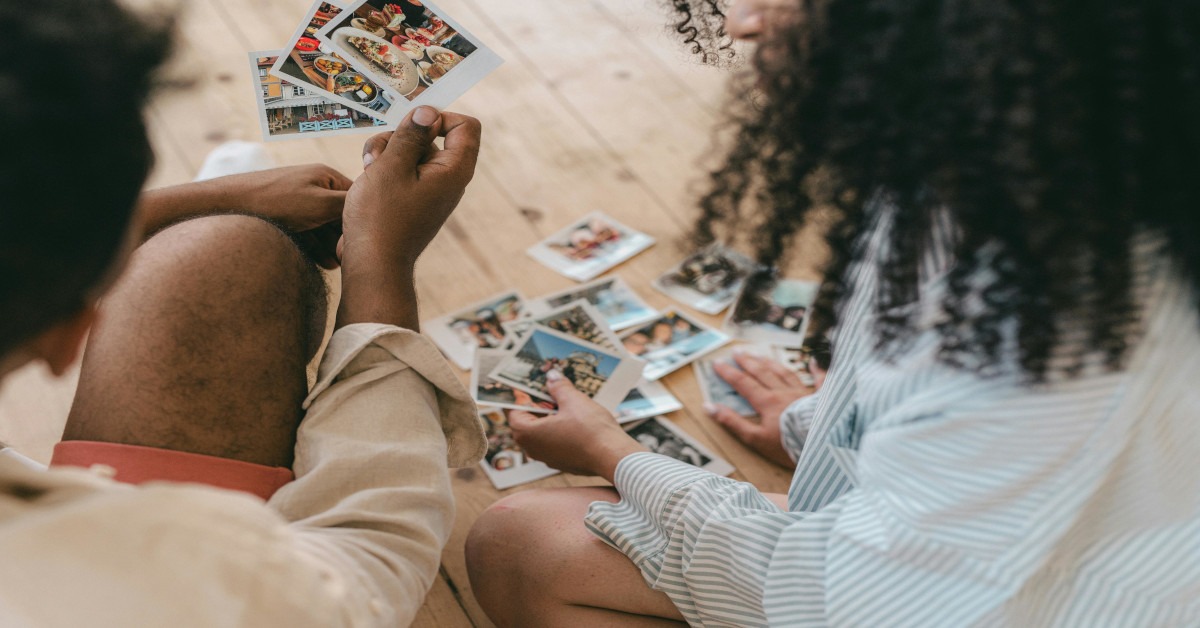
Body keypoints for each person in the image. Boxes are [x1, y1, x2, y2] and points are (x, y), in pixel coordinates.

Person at [465, 0, 1200, 626]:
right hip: (1036, 564)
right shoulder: (1050, 155)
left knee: (518, 543)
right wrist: (817, 430)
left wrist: (615, 454)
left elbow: (838, 599)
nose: (743, 21)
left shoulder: (1037, 312)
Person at [0, 0, 484, 625]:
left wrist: (210, 199)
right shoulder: (150, 594)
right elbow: (370, 561)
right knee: (231, 248)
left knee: (226, 248)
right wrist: (379, 260)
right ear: (71, 337)